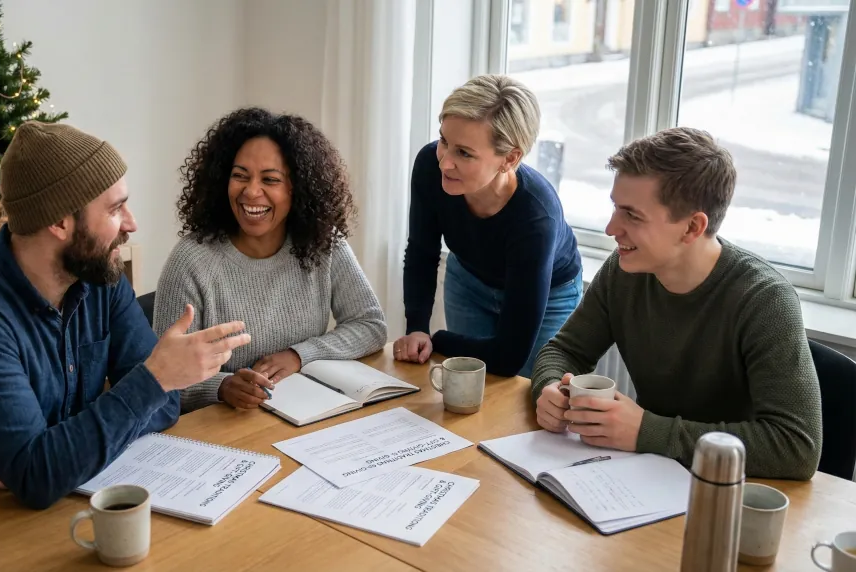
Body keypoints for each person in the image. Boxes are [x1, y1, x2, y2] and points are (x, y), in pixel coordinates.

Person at [0, 122, 251, 517]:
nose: (131, 223)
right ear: (60, 222)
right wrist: (152, 379)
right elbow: (40, 477)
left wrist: (44, 450)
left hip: (49, 506)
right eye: (114, 209)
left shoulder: (99, 278)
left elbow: (164, 407)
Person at [532, 127, 823, 480]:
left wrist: (647, 431)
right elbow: (564, 350)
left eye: (632, 215)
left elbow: (796, 447)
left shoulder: (765, 300)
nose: (611, 228)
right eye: (615, 207)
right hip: (647, 477)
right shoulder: (624, 270)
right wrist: (550, 389)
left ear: (692, 228)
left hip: (730, 491)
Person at [154, 107, 388, 411]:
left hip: (304, 414)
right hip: (225, 424)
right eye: (240, 176)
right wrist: (222, 386)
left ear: (297, 187)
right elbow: (161, 378)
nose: (251, 192)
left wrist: (299, 355)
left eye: (270, 179)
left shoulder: (322, 243)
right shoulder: (190, 261)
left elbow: (370, 325)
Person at [394, 74, 582, 377]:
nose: (444, 162)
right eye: (444, 141)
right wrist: (417, 327)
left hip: (549, 296)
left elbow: (508, 358)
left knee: (530, 394)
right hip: (469, 280)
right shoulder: (430, 165)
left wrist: (437, 340)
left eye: (464, 153)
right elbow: (421, 250)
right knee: (470, 388)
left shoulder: (536, 217)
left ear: (510, 158)